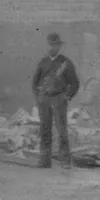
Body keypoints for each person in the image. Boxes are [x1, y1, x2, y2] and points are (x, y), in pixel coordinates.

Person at [32, 32, 80, 169]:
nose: (54, 48)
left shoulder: (65, 62)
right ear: (47, 46)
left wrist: (67, 96)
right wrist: (39, 98)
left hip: (59, 98)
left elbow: (75, 83)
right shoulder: (43, 62)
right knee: (45, 130)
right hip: (45, 99)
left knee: (62, 130)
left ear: (59, 46)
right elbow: (35, 83)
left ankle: (65, 162)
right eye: (51, 45)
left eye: (56, 45)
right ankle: (44, 161)